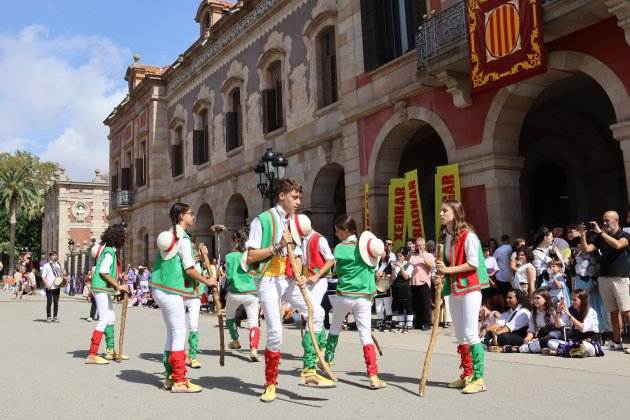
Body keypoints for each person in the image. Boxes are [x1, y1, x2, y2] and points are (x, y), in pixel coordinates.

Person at [245, 179, 334, 403]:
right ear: (282, 196)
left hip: (288, 278)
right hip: (268, 279)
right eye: (295, 197)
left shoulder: (294, 221)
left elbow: (295, 253)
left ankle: (308, 370)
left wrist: (300, 273)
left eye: (299, 197)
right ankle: (270, 384)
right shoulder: (262, 220)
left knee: (317, 312)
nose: (298, 202)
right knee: (276, 332)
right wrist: (277, 247)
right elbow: (251, 256)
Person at [151, 203, 218, 393]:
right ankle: (179, 380)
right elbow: (189, 268)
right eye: (190, 213)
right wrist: (208, 280)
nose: (194, 216)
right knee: (179, 332)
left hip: (160, 287)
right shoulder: (184, 239)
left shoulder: (169, 233)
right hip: (171, 290)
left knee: (173, 332)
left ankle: (170, 376)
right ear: (181, 215)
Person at [434, 199, 490, 394]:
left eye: (444, 211)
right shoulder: (445, 237)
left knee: (471, 332)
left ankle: (479, 377)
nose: (440, 214)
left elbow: (473, 263)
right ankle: (467, 374)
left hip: (470, 288)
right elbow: (444, 267)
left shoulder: (469, 236)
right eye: (440, 211)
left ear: (455, 214)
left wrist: (447, 270)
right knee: (459, 334)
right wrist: (440, 275)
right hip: (455, 289)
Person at [324, 216, 386, 389]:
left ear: (345, 231)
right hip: (363, 297)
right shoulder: (368, 248)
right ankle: (373, 376)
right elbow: (373, 268)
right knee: (365, 335)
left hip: (344, 294)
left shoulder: (339, 248)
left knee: (335, 329)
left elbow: (336, 270)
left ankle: (327, 363)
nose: (336, 234)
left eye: (337, 230)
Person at [579, 211, 630, 352]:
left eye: (607, 220)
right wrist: (583, 235)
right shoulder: (600, 237)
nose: (605, 222)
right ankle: (616, 341)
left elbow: (618, 245)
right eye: (603, 220)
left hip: (620, 277)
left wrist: (600, 233)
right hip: (604, 277)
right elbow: (586, 249)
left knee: (627, 311)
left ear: (616, 220)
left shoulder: (624, 235)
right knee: (612, 312)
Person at [85, 225, 129, 365]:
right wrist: (118, 286)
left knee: (110, 317)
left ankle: (110, 350)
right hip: (101, 288)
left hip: (102, 288)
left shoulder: (109, 251)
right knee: (104, 319)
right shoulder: (110, 252)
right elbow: (104, 271)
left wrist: (120, 278)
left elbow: (107, 271)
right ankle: (92, 353)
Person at [225, 229, 261, 362]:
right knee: (253, 322)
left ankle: (235, 340)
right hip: (251, 292)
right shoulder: (252, 255)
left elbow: (228, 276)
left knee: (229, 316)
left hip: (235, 292)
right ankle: (254, 349)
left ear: (234, 241)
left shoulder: (230, 256)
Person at [547, 289, 602, 357]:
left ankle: (561, 352)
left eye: (575, 300)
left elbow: (582, 328)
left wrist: (569, 315)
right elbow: (558, 325)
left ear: (582, 301)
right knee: (551, 342)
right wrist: (558, 312)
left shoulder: (591, 311)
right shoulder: (571, 309)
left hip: (590, 342)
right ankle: (573, 351)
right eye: (571, 299)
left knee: (582, 345)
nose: (572, 302)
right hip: (576, 341)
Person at [518, 289, 564, 353]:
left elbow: (559, 326)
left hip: (555, 336)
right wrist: (528, 338)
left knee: (544, 343)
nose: (535, 300)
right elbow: (532, 329)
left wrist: (557, 314)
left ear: (545, 299)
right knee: (526, 344)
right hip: (543, 336)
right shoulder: (533, 312)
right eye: (534, 298)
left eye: (538, 298)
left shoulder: (552, 310)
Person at [408, 237, 435, 330]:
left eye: (420, 245)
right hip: (414, 283)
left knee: (425, 305)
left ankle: (427, 324)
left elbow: (431, 266)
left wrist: (423, 258)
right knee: (416, 304)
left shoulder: (428, 255)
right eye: (417, 245)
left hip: (423, 282)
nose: (419, 247)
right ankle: (418, 323)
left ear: (424, 246)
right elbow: (408, 262)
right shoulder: (413, 255)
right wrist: (411, 253)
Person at [390, 247, 415, 333]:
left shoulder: (409, 265)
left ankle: (409, 325)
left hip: (405, 287)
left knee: (407, 305)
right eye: (398, 256)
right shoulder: (396, 264)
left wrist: (401, 268)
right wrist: (393, 269)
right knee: (399, 305)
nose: (399, 258)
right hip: (397, 287)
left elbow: (406, 277)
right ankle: (401, 324)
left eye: (400, 256)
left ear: (404, 256)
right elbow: (393, 278)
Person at [374, 248, 394, 332]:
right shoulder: (377, 263)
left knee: (387, 306)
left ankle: (388, 323)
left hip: (386, 286)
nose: (381, 254)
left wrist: (384, 274)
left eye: (383, 253)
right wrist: (376, 275)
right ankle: (381, 323)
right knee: (378, 307)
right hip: (378, 286)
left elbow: (392, 274)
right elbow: (374, 274)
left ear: (386, 254)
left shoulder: (390, 263)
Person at [41, 251, 63, 323]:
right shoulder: (46, 265)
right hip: (49, 287)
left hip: (57, 286)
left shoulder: (58, 265)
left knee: (56, 303)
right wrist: (47, 284)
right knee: (49, 302)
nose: (55, 257)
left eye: (55, 255)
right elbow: (43, 276)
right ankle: (49, 317)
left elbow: (62, 275)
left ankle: (55, 317)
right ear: (50, 257)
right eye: (53, 255)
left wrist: (61, 266)